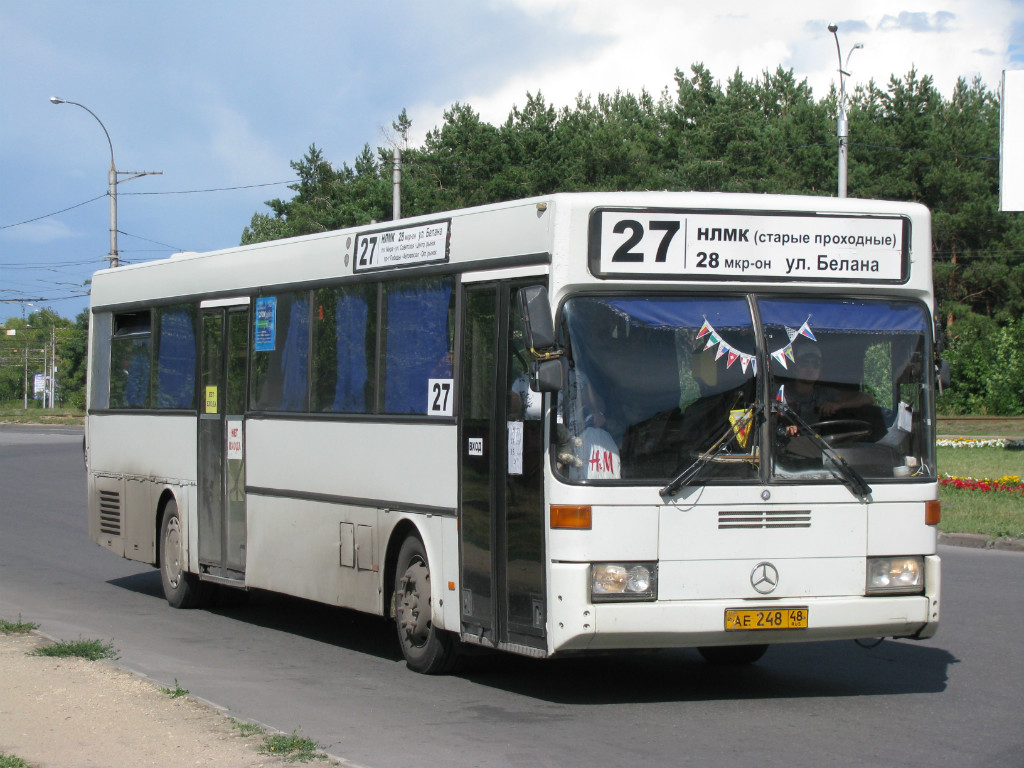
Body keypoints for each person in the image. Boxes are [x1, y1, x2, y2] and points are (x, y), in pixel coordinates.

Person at [782, 344, 873, 436]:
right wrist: (785, 428)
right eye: (804, 364)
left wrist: (838, 405)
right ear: (794, 368)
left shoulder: (824, 394)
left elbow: (868, 398)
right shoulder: (781, 392)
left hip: (818, 447)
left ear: (821, 369)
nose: (810, 369)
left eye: (815, 365)